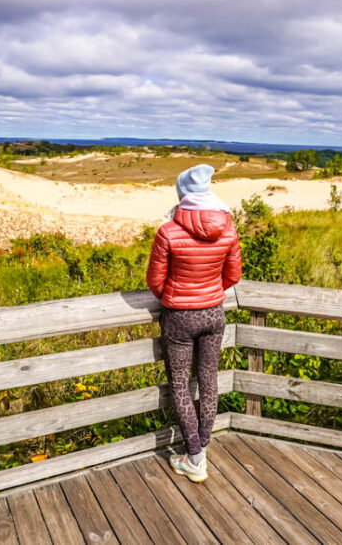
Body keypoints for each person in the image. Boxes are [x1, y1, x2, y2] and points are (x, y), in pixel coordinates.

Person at [146, 164, 242, 482]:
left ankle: (195, 458)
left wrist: (175, 296)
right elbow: (233, 276)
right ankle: (201, 446)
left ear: (182, 195)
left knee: (179, 384)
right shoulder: (228, 228)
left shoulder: (168, 231)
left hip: (179, 317)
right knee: (208, 380)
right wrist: (210, 291)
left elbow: (155, 281)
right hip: (214, 313)